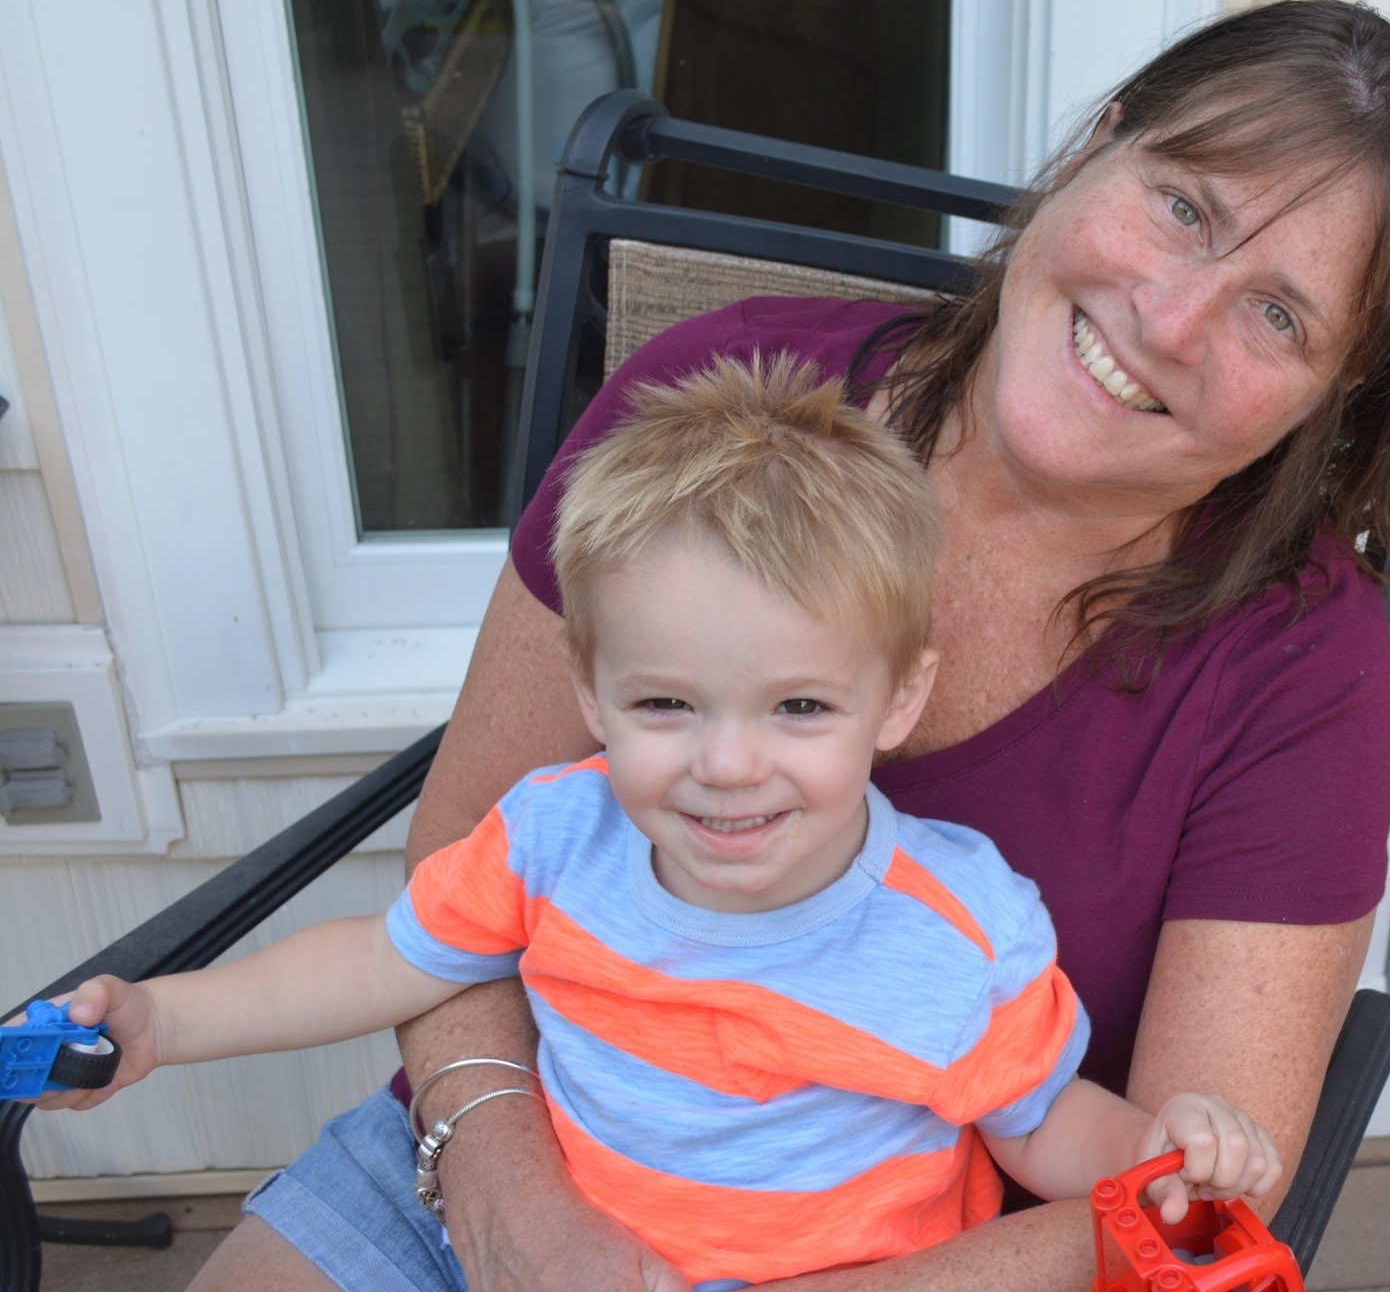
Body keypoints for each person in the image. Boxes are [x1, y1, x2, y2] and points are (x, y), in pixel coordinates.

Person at [172, 0, 1390, 1291]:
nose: (1171, 317)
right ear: (1103, 144)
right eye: (1185, 207)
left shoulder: (1296, 669)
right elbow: (463, 850)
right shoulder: (714, 421)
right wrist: (506, 1195)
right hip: (518, 1130)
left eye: (1278, 315)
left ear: (1337, 392)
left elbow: (1186, 1206)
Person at [32, 358, 1280, 1290]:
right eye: (667, 705)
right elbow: (378, 961)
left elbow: (1043, 1120)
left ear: (898, 699)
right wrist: (166, 1021)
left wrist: (1160, 1153)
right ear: (590, 692)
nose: (727, 766)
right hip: (508, 1223)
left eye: (799, 707)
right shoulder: (556, 836)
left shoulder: (954, 933)